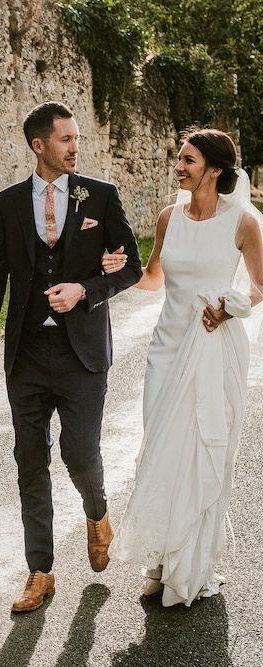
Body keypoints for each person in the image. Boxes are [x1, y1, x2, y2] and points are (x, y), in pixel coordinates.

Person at [0, 101, 142, 613]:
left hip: (82, 355)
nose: (75, 148)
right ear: (39, 145)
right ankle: (40, 571)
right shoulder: (6, 205)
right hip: (25, 353)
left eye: (77, 140)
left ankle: (97, 512)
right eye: (65, 140)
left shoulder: (102, 198)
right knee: (30, 463)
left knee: (79, 454)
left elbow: (131, 267)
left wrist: (87, 290)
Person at [106, 128, 263, 607]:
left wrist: (230, 306)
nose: (179, 166)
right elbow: (154, 278)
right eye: (179, 157)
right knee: (161, 449)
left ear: (214, 170)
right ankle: (160, 557)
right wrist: (121, 271)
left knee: (202, 450)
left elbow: (259, 286)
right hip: (166, 349)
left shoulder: (242, 223)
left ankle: (188, 567)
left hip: (215, 348)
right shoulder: (168, 217)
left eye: (188, 159)